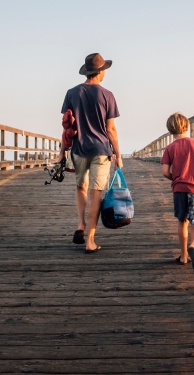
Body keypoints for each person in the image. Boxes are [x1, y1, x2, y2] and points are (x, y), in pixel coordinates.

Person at [61, 53, 122, 253]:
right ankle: (90, 241)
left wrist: (62, 152)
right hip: (101, 150)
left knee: (81, 186)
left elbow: (67, 126)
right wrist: (118, 154)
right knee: (96, 194)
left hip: (79, 149)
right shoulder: (107, 95)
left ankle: (80, 224)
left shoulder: (71, 93)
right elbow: (111, 129)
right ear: (99, 72)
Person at [160, 112, 194, 273]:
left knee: (183, 221)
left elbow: (165, 171)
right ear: (187, 127)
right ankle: (193, 245)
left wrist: (176, 178)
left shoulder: (170, 147)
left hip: (179, 189)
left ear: (170, 131)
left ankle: (183, 256)